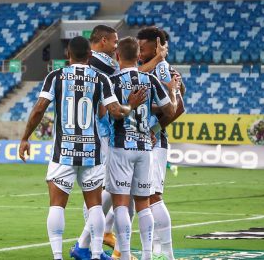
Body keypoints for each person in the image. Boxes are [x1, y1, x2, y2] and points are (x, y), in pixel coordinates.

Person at [20, 36, 146, 260]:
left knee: (57, 206)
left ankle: (58, 256)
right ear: (90, 55)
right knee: (95, 206)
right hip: (92, 152)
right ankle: (96, 254)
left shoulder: (55, 76)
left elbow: (40, 108)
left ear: (67, 55)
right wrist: (131, 105)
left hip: (64, 152)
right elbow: (116, 112)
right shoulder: (101, 79)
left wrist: (25, 137)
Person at [74, 25, 168, 260]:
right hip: (107, 135)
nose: (116, 46)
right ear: (104, 41)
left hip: (111, 135)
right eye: (114, 41)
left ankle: (99, 244)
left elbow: (127, 77)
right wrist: (157, 60)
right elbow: (131, 78)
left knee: (113, 191)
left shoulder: (99, 64)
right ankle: (95, 245)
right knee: (117, 194)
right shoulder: (102, 64)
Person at [109, 37, 178, 260]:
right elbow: (170, 111)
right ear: (138, 56)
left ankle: (125, 254)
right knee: (144, 204)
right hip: (145, 147)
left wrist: (128, 106)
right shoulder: (149, 79)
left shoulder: (111, 81)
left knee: (120, 204)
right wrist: (174, 91)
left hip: (120, 147)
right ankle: (148, 255)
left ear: (117, 56)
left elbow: (108, 112)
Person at [137, 27, 186, 260]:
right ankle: (156, 250)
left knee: (154, 196)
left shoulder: (163, 68)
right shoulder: (150, 68)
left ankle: (167, 253)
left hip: (155, 142)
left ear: (156, 47)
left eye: (142, 47)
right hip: (142, 142)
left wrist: (154, 129)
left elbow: (178, 107)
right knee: (144, 198)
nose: (138, 51)